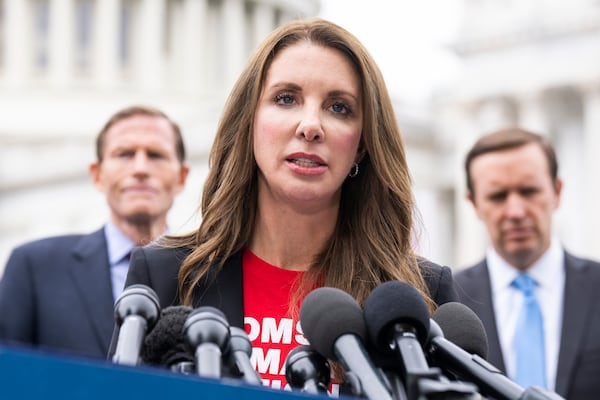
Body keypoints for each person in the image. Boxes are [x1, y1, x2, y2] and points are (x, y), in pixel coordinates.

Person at [115, 18, 457, 392]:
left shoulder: (418, 295)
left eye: (339, 107)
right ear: (249, 124)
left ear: (362, 144)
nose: (310, 126)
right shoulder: (166, 275)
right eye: (286, 98)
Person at [0, 105, 190, 360]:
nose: (140, 168)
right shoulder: (34, 268)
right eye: (125, 154)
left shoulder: (209, 272)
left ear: (182, 177)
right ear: (97, 175)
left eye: (155, 155)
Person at [454, 127, 600, 400]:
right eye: (498, 196)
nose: (516, 212)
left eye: (529, 191)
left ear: (557, 192)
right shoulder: (446, 300)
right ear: (473, 203)